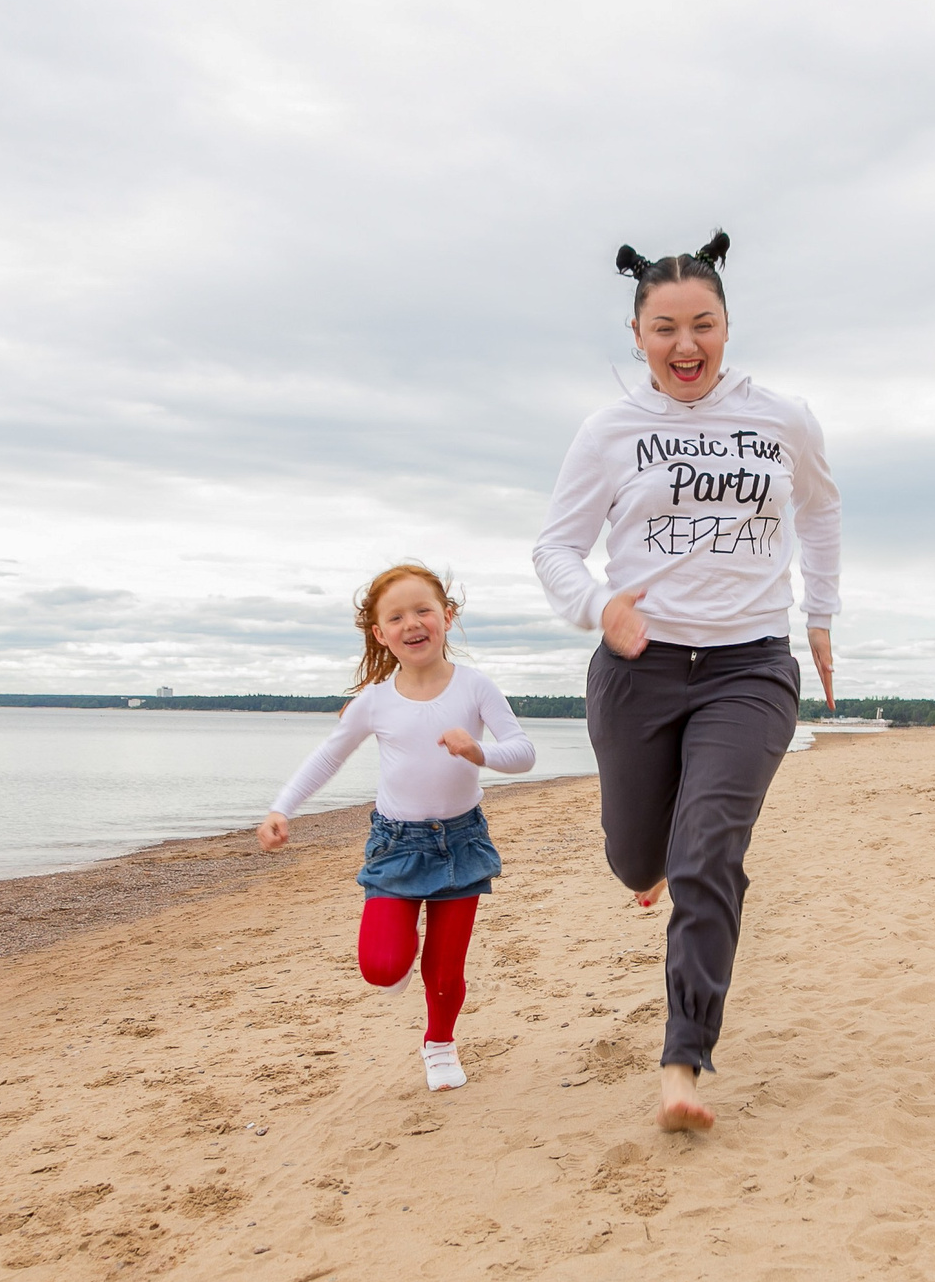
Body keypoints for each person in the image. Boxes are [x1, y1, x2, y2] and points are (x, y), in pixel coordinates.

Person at [533, 231, 841, 1132]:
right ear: (638, 334)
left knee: (709, 852)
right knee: (639, 858)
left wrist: (819, 615)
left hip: (751, 665)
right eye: (664, 327)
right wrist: (598, 606)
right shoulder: (610, 430)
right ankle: (653, 859)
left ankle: (683, 1061)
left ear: (727, 326)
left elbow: (821, 512)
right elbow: (555, 548)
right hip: (641, 665)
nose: (685, 344)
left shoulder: (783, 418)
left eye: (702, 323)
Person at [257, 564, 537, 1092]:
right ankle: (400, 950)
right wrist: (282, 808)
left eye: (423, 610)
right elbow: (329, 755)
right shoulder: (375, 701)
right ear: (380, 633)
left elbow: (523, 752)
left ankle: (440, 1044)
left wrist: (478, 751)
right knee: (382, 969)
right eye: (396, 617)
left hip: (460, 841)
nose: (412, 623)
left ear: (447, 617)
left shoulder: (476, 687)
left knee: (445, 968)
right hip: (396, 844)